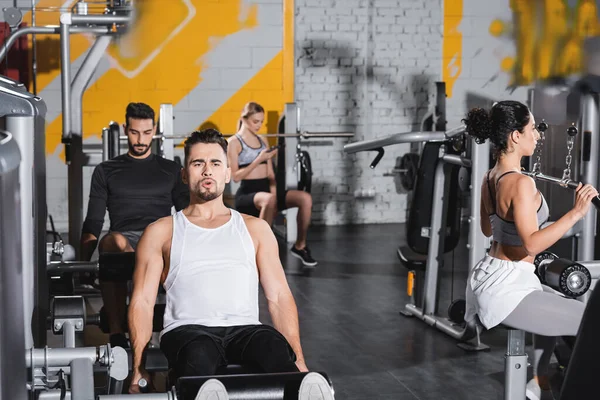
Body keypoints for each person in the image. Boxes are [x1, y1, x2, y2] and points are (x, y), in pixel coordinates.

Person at [127, 129, 333, 399]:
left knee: (272, 345)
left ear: (227, 172)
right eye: (197, 163)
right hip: (189, 330)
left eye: (215, 163)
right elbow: (142, 301)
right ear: (184, 174)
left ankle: (300, 388)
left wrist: (300, 363)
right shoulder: (162, 231)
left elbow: (280, 297)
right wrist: (138, 368)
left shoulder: (255, 228)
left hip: (246, 328)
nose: (207, 171)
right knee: (199, 356)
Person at [463, 100, 599, 400]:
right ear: (515, 136)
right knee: (591, 322)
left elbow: (489, 230)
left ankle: (539, 381)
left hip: (491, 274)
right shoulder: (521, 183)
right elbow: (533, 244)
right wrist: (576, 212)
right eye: (532, 129)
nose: (537, 136)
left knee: (557, 297)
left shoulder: (490, 177)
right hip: (508, 287)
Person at [80, 102, 189, 348]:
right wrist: (83, 266)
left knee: (170, 242)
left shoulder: (170, 170)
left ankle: (166, 330)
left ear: (155, 131)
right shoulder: (106, 170)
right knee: (112, 241)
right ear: (125, 129)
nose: (141, 139)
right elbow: (94, 221)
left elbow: (187, 215)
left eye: (147, 133)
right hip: (123, 242)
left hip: (159, 240)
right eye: (134, 132)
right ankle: (118, 334)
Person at [227, 102, 317, 267]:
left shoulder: (262, 140)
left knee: (305, 198)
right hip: (248, 194)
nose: (259, 125)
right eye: (255, 122)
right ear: (244, 119)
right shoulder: (234, 142)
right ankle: (258, 252)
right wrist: (258, 160)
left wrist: (275, 195)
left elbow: (270, 174)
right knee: (268, 200)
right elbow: (235, 177)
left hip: (268, 192)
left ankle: (300, 246)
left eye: (261, 121)